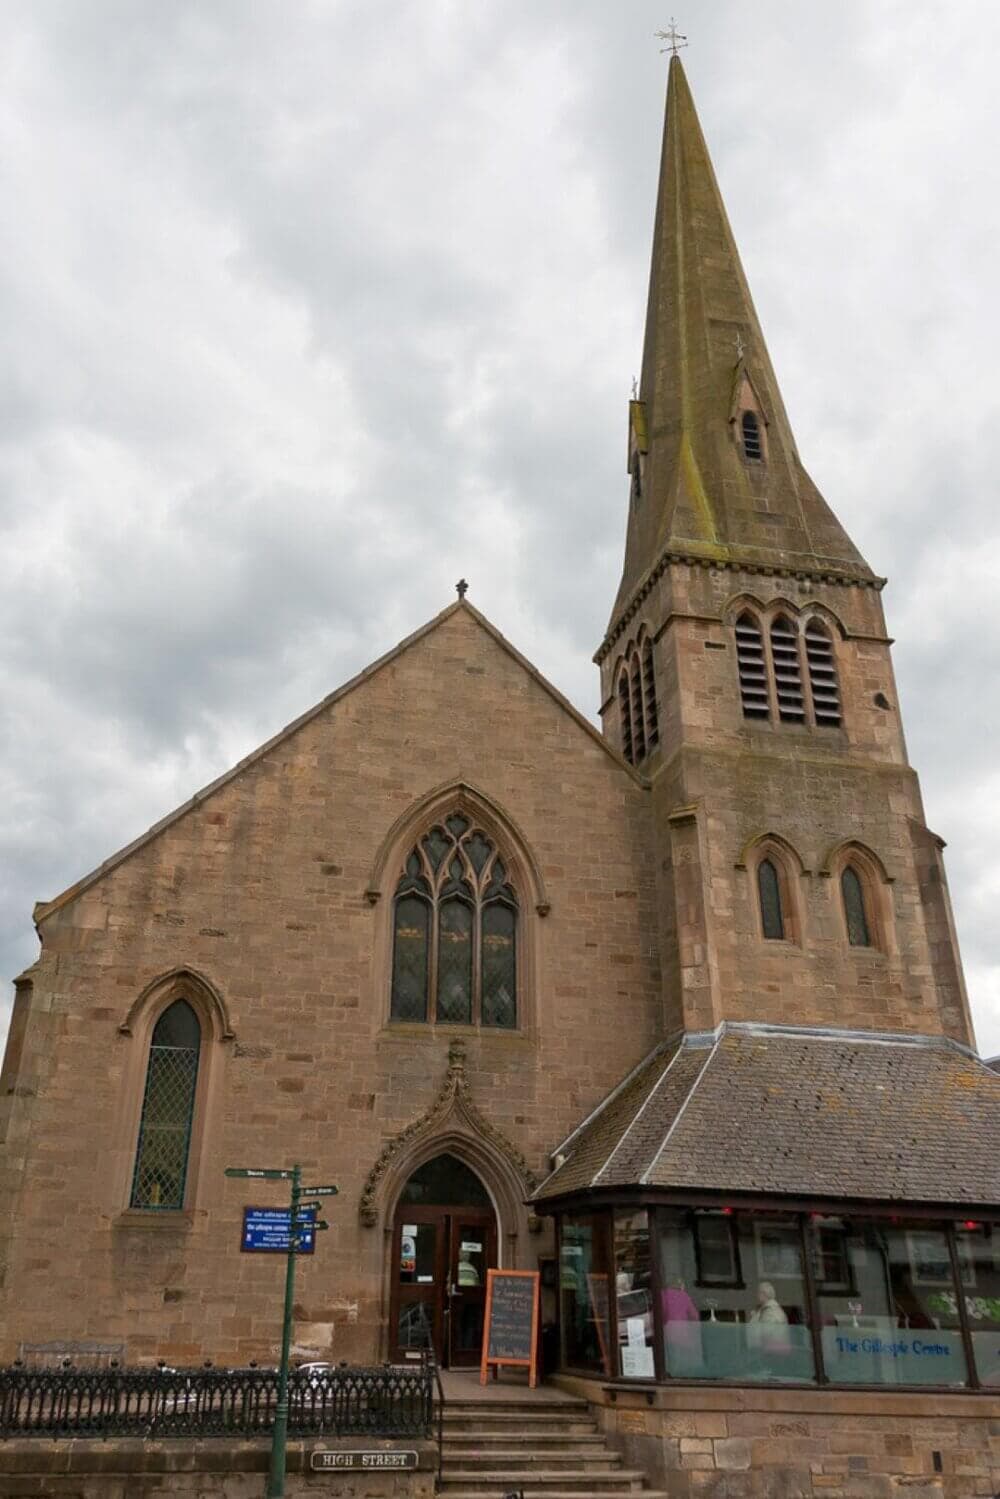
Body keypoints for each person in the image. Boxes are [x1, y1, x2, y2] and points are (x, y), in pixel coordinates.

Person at [661, 1277, 702, 1374]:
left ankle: (670, 1373)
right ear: (681, 1285)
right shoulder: (684, 1295)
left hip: (667, 1330)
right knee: (681, 1357)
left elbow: (660, 1314)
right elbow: (694, 1316)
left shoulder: (662, 1294)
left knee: (669, 1356)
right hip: (682, 1331)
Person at [747, 1281, 791, 1363]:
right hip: (767, 1352)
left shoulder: (771, 1311)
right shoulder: (765, 1309)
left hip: (771, 1354)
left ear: (764, 1294)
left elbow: (766, 1332)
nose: (757, 1295)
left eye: (759, 1293)